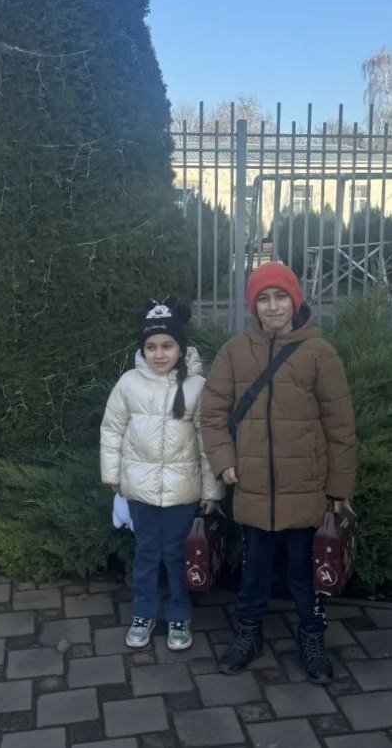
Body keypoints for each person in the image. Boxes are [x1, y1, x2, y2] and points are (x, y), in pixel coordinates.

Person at [201, 262, 356, 684]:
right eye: (263, 299)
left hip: (304, 488)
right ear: (253, 306)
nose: (272, 306)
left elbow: (340, 426)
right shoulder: (235, 352)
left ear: (295, 300)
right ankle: (248, 635)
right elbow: (212, 413)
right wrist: (223, 459)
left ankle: (312, 638)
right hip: (251, 488)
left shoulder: (319, 353)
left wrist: (339, 488)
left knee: (304, 575)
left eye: (280, 296)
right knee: (252, 572)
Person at [100, 301, 223, 651]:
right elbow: (112, 430)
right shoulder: (128, 384)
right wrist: (113, 476)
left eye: (167, 345)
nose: (159, 354)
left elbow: (207, 441)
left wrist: (211, 490)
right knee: (146, 554)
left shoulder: (197, 386)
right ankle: (143, 612)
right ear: (142, 349)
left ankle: (179, 614)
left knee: (177, 555)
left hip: (183, 492)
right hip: (140, 491)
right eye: (151, 347)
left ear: (180, 347)